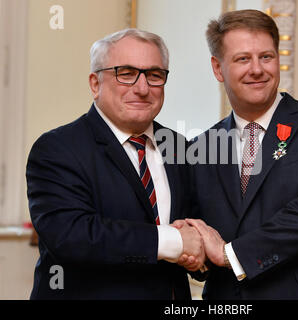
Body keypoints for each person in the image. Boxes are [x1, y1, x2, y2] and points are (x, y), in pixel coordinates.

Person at [182, 9, 298, 299]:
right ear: (217, 68)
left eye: (266, 56)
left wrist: (230, 255)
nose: (257, 69)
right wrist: (195, 255)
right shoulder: (200, 148)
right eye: (242, 59)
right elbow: (200, 236)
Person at [26, 28, 204, 300]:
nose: (142, 88)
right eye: (126, 73)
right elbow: (72, 236)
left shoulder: (179, 147)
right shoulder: (57, 149)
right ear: (95, 84)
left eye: (154, 75)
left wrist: (199, 255)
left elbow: (195, 226)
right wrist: (175, 242)